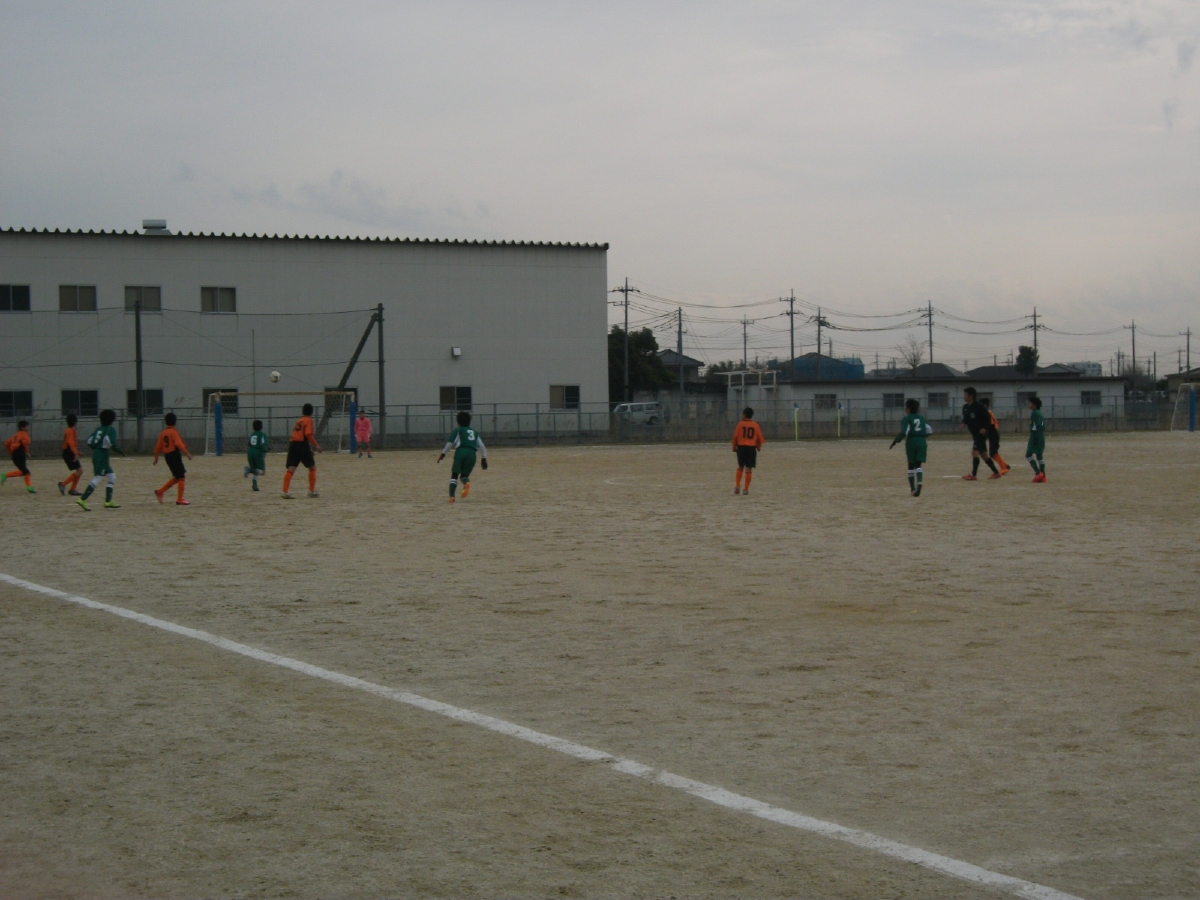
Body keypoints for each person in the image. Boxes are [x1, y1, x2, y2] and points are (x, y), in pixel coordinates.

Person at [77, 409, 123, 510]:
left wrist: (96, 448)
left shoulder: (99, 429)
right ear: (112, 419)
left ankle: (108, 501)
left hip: (99, 454)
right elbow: (112, 443)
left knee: (112, 477)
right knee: (98, 477)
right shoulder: (110, 430)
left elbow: (89, 441)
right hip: (102, 454)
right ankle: (82, 499)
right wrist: (119, 450)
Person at [438, 410, 488, 502]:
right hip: (472, 454)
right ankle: (466, 482)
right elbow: (481, 446)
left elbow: (450, 443)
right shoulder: (475, 432)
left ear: (458, 422)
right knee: (464, 476)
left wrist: (443, 453)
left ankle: (452, 496)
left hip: (461, 452)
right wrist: (484, 458)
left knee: (454, 475)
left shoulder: (458, 430)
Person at [889, 398, 930, 496]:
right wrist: (922, 437)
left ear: (908, 408)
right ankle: (919, 482)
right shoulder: (921, 418)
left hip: (912, 442)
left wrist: (895, 441)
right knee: (918, 465)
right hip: (922, 441)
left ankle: (912, 489)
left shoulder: (906, 419)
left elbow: (904, 432)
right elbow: (929, 430)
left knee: (911, 465)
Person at [960, 388, 1001, 481]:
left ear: (971, 396)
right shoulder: (965, 407)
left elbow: (988, 418)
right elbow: (966, 418)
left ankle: (973, 475)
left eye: (966, 394)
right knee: (983, 455)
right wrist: (963, 423)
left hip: (981, 434)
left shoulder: (979, 406)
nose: (964, 396)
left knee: (975, 452)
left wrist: (984, 428)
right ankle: (996, 473)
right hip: (975, 434)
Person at [282, 403, 322, 499]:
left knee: (291, 468)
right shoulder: (308, 420)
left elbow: (298, 435)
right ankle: (311, 491)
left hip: (293, 445)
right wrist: (316, 446)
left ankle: (284, 491)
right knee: (312, 467)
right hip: (302, 445)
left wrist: (308, 450)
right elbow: (308, 435)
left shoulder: (299, 420)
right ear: (311, 412)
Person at [153, 412, 193, 505]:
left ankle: (160, 492)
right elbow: (178, 444)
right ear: (175, 422)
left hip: (167, 457)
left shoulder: (163, 433)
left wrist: (156, 458)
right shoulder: (174, 432)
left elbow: (157, 448)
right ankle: (180, 499)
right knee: (181, 477)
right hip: (174, 455)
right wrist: (187, 453)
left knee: (177, 477)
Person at [731, 406, 764, 495]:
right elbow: (759, 438)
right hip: (751, 448)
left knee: (740, 466)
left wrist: (734, 446)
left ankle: (737, 486)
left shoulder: (740, 424)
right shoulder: (755, 425)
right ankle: (745, 489)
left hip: (741, 448)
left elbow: (735, 437)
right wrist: (758, 447)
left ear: (744, 415)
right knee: (749, 468)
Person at [2, 420, 35, 494]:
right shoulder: (24, 434)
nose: (28, 428)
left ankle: (30, 487)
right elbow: (24, 443)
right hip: (20, 453)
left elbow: (6, 443)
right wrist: (27, 452)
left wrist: (11, 452)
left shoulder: (16, 435)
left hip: (15, 454)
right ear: (22, 427)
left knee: (24, 471)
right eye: (27, 426)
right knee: (25, 471)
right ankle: (5, 475)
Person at [979, 397, 1010, 475]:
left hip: (993, 434)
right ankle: (1005, 465)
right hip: (992, 434)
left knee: (993, 453)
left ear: (985, 405)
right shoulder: (987, 412)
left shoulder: (987, 413)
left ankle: (1004, 468)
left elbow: (991, 425)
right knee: (993, 453)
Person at [58, 413, 84, 495]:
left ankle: (72, 490)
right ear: (75, 422)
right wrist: (75, 453)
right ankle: (63, 484)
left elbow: (70, 444)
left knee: (79, 470)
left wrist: (77, 452)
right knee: (80, 471)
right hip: (69, 453)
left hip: (68, 452)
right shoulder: (70, 431)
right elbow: (70, 443)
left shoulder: (69, 430)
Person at [1026, 396, 1047, 482]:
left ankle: (1038, 473)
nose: (1029, 404)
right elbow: (1042, 425)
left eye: (1030, 403)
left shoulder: (1034, 413)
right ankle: (1043, 476)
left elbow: (1038, 425)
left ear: (1034, 405)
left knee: (1028, 454)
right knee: (1039, 455)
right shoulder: (1039, 413)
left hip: (1035, 435)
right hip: (1040, 435)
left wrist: (1035, 437)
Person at [244, 420, 269, 491]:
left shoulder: (252, 435)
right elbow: (264, 444)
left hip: (250, 451)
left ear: (253, 427)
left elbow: (249, 444)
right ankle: (249, 470)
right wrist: (264, 451)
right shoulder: (263, 435)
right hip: (258, 452)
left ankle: (254, 485)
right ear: (261, 427)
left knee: (255, 469)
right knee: (262, 472)